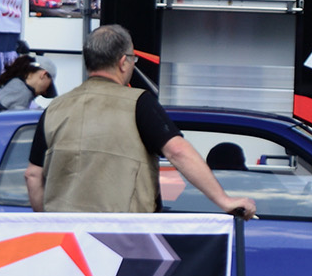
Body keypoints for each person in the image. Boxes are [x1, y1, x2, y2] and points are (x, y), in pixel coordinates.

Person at [24, 24, 256, 218]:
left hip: (66, 241)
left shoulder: (54, 109)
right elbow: (177, 151)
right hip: (124, 239)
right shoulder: (138, 103)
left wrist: (50, 223)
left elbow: (33, 176)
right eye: (133, 58)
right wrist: (224, 200)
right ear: (123, 62)